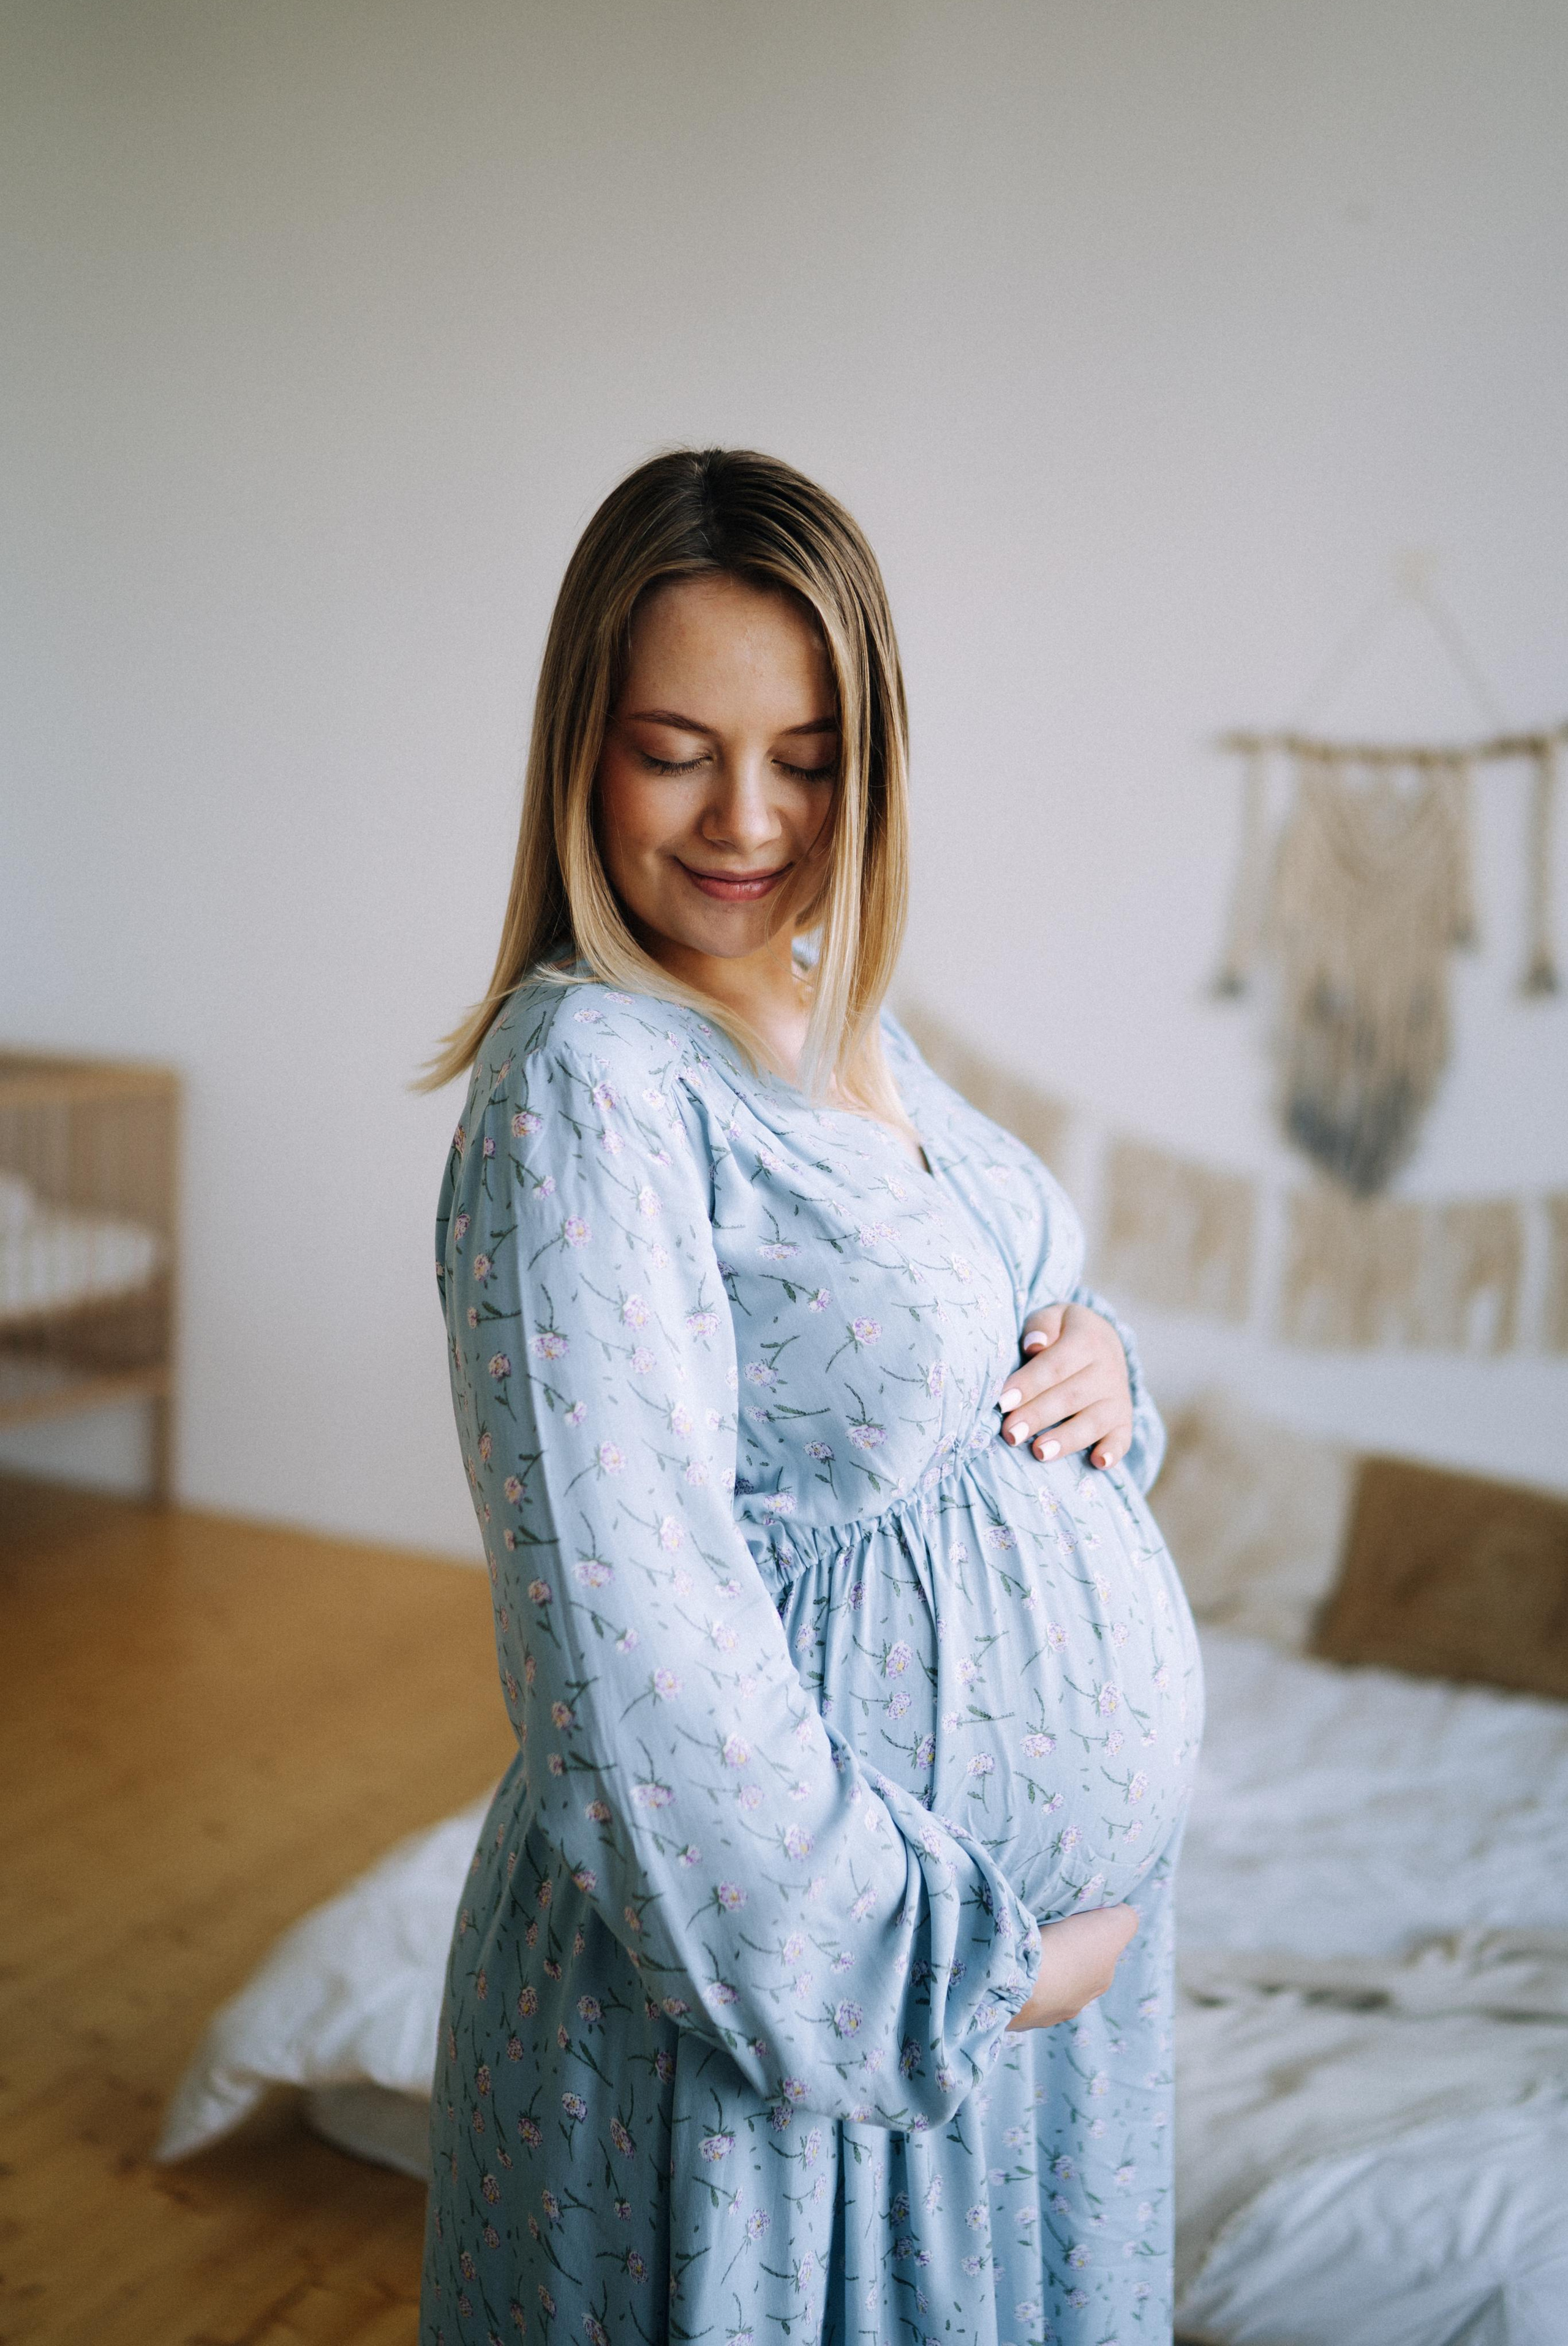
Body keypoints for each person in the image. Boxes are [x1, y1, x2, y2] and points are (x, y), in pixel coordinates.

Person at [420, 448, 1203, 2346]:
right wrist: (973, 1977)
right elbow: (634, 1663)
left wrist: (1107, 1370)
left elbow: (940, 1353)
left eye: (811, 753)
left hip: (998, 2022)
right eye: (673, 746)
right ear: (579, 754)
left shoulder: (830, 1002)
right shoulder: (590, 1087)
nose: (747, 818)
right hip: (799, 2035)